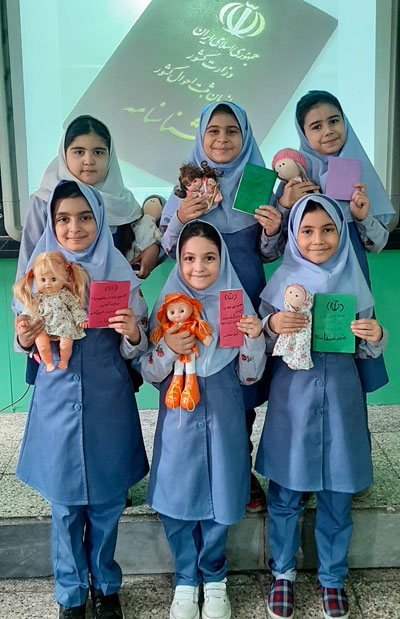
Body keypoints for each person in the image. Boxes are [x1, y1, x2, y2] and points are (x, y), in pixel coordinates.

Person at [13, 180, 149, 619]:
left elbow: (139, 347)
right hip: (56, 399)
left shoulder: (118, 273)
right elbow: (23, 334)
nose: (74, 228)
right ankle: (70, 594)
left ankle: (106, 586)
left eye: (85, 217)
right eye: (63, 219)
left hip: (108, 400)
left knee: (108, 502)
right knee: (66, 505)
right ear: (51, 224)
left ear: (100, 219)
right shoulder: (39, 272)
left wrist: (132, 332)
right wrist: (25, 337)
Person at [255, 195, 387, 619]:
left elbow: (367, 351)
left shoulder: (354, 280)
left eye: (328, 229)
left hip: (341, 400)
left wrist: (376, 335)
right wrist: (272, 325)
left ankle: (332, 578)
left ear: (341, 232)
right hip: (293, 402)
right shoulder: (281, 282)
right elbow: (256, 344)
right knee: (285, 492)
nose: (318, 240)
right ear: (293, 235)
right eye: (307, 231)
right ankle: (282, 573)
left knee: (337, 494)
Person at [141, 220, 266, 619]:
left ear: (222, 260)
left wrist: (254, 340)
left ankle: (214, 577)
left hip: (225, 412)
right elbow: (148, 372)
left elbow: (249, 376)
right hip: (179, 415)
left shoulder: (235, 302)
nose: (199, 267)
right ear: (178, 261)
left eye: (209, 258)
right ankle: (185, 578)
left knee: (222, 490)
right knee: (176, 492)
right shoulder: (167, 306)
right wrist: (167, 346)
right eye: (189, 258)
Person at [161, 101, 276, 511]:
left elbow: (268, 252)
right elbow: (168, 249)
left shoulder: (259, 182)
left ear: (245, 137)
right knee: (198, 376)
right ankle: (193, 466)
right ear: (201, 136)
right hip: (194, 302)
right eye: (213, 131)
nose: (222, 139)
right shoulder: (187, 185)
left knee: (240, 380)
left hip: (241, 295)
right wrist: (181, 217)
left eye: (232, 131)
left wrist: (272, 230)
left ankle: (239, 469)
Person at [266, 90, 395, 392]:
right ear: (303, 133)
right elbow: (271, 251)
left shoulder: (359, 174)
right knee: (303, 353)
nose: (328, 131)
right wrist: (284, 204)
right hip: (304, 288)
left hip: (350, 278)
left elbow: (377, 245)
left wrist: (362, 217)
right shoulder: (293, 180)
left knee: (350, 356)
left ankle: (346, 411)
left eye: (334, 121)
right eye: (316, 126)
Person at [17, 114, 160, 281]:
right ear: (64, 154)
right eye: (79, 152)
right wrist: (24, 296)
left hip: (111, 293)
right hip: (57, 293)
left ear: (110, 156)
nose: (89, 161)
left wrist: (154, 248)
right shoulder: (44, 200)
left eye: (98, 152)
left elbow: (140, 243)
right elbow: (28, 259)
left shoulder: (123, 202)